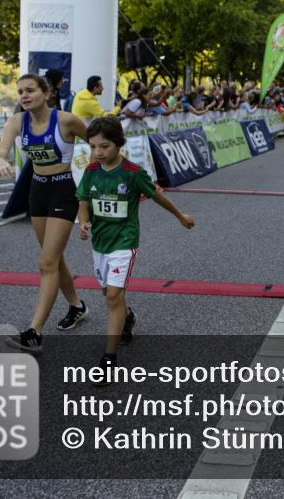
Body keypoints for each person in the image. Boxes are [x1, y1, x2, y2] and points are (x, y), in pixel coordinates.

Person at [76, 117, 195, 376]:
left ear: (119, 144)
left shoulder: (132, 173)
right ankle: (128, 318)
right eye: (93, 147)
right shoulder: (91, 171)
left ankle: (109, 359)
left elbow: (157, 196)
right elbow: (83, 199)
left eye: (104, 146)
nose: (97, 152)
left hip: (124, 242)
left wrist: (180, 216)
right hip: (100, 244)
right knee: (109, 292)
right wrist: (83, 223)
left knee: (112, 297)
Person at [0, 74, 89, 352]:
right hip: (38, 192)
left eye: (30, 90)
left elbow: (97, 142)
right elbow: (1, 151)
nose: (24, 95)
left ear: (46, 93)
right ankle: (76, 305)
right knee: (54, 259)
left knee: (46, 262)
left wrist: (96, 179)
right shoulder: (16, 122)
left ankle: (34, 332)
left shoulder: (66, 120)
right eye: (20, 91)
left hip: (64, 191)